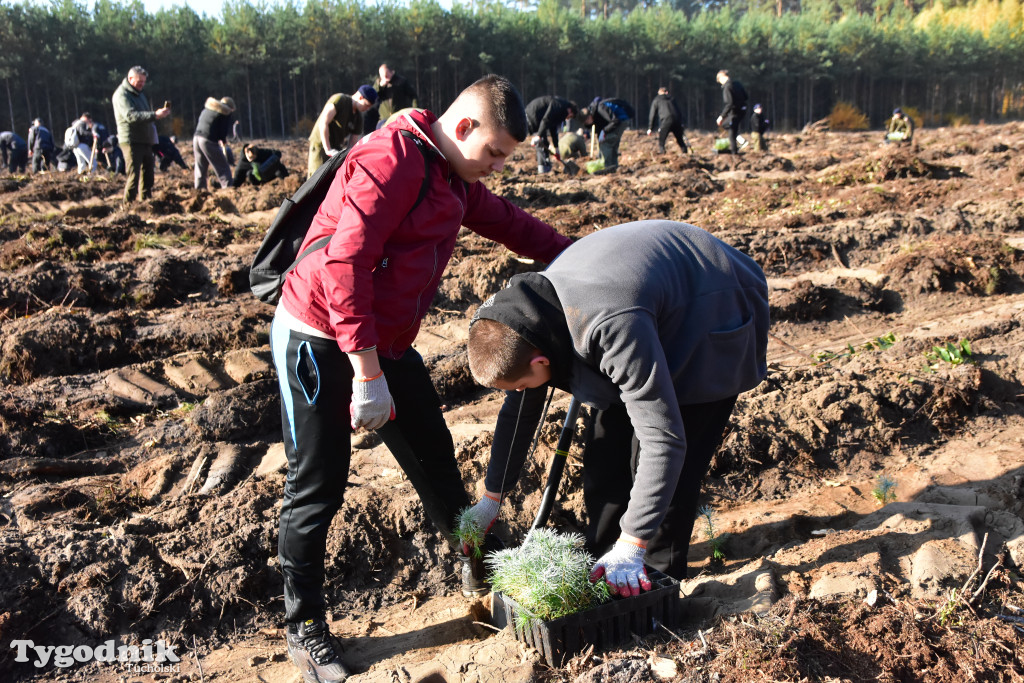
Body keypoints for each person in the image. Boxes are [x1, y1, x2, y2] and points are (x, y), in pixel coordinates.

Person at [271, 74, 571, 682]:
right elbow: (344, 263)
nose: (494, 167)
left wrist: (582, 255)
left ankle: (478, 564)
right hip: (320, 337)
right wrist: (365, 372)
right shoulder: (390, 160)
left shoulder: (453, 178)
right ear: (463, 128)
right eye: (492, 153)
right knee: (318, 487)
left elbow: (512, 223)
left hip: (386, 339)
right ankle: (304, 626)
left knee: (437, 463)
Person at [463, 220, 769, 596]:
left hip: (712, 308)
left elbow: (664, 441)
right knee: (605, 459)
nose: (523, 391)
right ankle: (601, 564)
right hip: (647, 306)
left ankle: (655, 580)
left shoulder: (611, 325)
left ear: (542, 361)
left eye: (525, 383)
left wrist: (633, 542)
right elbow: (519, 407)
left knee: (667, 467)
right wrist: (492, 497)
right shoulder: (525, 320)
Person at [112, 65, 171, 203]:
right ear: (130, 78)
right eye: (139, 82)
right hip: (131, 140)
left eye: (144, 82)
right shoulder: (122, 95)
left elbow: (144, 115)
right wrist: (154, 115)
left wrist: (156, 116)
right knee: (134, 176)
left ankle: (146, 203)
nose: (142, 84)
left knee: (148, 174)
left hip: (145, 139)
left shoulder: (140, 94)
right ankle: (128, 207)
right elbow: (130, 116)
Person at [307, 85, 377, 177]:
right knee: (315, 177)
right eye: (366, 105)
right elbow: (324, 122)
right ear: (360, 97)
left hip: (335, 147)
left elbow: (352, 143)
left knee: (331, 179)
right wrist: (328, 149)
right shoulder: (340, 100)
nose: (367, 109)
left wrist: (348, 157)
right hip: (320, 144)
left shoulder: (358, 117)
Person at [525, 96, 577, 174]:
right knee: (541, 142)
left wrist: (556, 149)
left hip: (538, 120)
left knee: (545, 143)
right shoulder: (559, 106)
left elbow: (553, 129)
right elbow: (546, 119)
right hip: (532, 117)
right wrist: (538, 135)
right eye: (570, 116)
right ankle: (543, 170)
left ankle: (546, 167)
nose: (567, 119)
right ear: (570, 111)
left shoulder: (560, 110)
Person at [193, 96, 236, 190]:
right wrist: (223, 140)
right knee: (223, 167)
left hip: (196, 138)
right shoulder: (225, 112)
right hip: (208, 140)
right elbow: (223, 130)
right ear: (230, 107)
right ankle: (228, 188)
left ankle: (200, 190)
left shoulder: (207, 109)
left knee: (200, 167)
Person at [580, 98, 632, 173]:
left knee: (607, 142)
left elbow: (615, 120)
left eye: (587, 122)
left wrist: (604, 131)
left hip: (621, 120)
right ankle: (614, 167)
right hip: (617, 122)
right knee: (610, 143)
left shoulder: (601, 109)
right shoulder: (595, 115)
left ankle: (607, 167)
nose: (588, 124)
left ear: (588, 117)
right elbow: (599, 129)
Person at [374, 63, 419, 130]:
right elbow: (373, 97)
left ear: (392, 72)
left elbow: (413, 96)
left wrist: (415, 111)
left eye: (386, 74)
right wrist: (380, 86)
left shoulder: (401, 81)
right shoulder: (378, 83)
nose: (385, 77)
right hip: (384, 119)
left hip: (399, 117)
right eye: (382, 76)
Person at [715, 70, 748, 155]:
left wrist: (722, 116)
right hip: (742, 110)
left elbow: (729, 104)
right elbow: (746, 96)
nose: (721, 84)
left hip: (735, 112)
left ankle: (735, 153)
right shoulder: (737, 84)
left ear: (721, 78)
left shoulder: (727, 87)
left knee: (728, 128)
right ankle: (739, 144)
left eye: (719, 81)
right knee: (732, 128)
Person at [647, 87, 687, 154]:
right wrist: (682, 123)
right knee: (680, 140)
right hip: (677, 121)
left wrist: (650, 128)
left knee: (661, 141)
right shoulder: (672, 99)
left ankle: (662, 154)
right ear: (666, 92)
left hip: (666, 121)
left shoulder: (657, 100)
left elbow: (652, 114)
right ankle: (685, 154)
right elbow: (679, 111)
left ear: (659, 93)